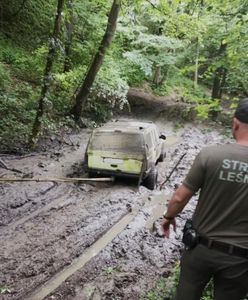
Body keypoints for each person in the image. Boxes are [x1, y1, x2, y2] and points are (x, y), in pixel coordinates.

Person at [161, 98, 248, 300]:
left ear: (235, 123)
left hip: (201, 249)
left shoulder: (211, 155)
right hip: (241, 259)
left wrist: (168, 217)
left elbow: (180, 197)